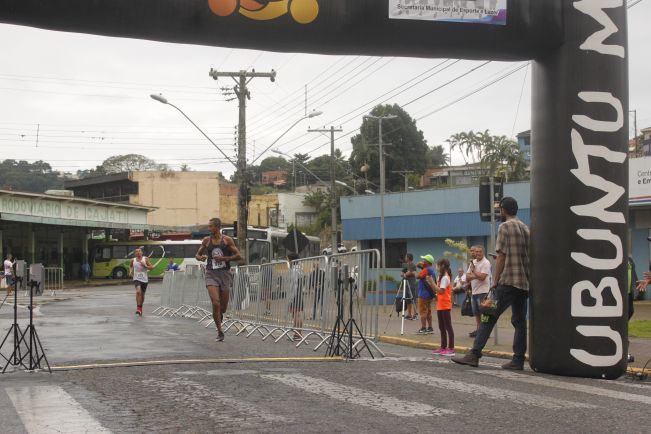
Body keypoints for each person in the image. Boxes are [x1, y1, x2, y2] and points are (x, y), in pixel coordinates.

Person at [452, 197, 530, 370]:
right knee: (520, 322)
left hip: (508, 281)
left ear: (503, 209)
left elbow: (501, 256)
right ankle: (518, 360)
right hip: (524, 283)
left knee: (488, 315)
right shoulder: (526, 228)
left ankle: (474, 354)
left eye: (500, 209)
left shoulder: (504, 226)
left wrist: (495, 281)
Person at [195, 217, 242, 342]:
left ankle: (219, 314)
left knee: (223, 308)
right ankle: (220, 331)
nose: (209, 228)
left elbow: (238, 256)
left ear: (217, 227)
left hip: (224, 274)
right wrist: (201, 257)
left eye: (210, 226)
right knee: (215, 302)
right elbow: (197, 254)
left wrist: (224, 259)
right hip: (211, 274)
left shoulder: (227, 240)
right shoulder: (206, 240)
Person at [427, 258, 455, 355]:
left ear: (442, 266)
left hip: (445, 305)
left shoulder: (445, 278)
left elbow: (441, 291)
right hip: (440, 305)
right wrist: (431, 283)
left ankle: (451, 348)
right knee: (441, 327)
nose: (436, 267)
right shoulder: (440, 277)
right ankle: (443, 347)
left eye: (437, 265)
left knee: (448, 327)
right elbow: (436, 290)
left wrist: (432, 282)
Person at [465, 245, 492, 338]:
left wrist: (474, 271)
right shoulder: (473, 262)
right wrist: (476, 275)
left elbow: (482, 277)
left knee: (484, 313)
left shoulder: (486, 262)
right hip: (474, 291)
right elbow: (467, 277)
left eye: (479, 252)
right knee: (476, 313)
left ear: (483, 252)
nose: (477, 253)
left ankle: (485, 332)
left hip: (483, 292)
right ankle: (479, 330)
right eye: (476, 252)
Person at [129, 248, 154, 316]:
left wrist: (144, 265)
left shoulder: (145, 259)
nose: (138, 252)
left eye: (139, 251)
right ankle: (138, 308)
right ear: (135, 253)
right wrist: (130, 271)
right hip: (136, 278)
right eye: (136, 251)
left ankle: (140, 307)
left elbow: (152, 268)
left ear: (142, 252)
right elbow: (130, 266)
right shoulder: (133, 260)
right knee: (138, 291)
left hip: (144, 279)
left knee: (142, 295)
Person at [416, 254, 436, 335]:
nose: (422, 261)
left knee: (423, 311)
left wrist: (414, 272)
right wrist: (421, 266)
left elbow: (418, 276)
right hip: (429, 294)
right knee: (428, 311)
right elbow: (419, 265)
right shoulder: (431, 269)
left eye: (424, 260)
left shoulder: (426, 269)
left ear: (427, 262)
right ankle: (430, 327)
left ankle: (423, 328)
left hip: (423, 294)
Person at [287, 252, 305, 341]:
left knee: (296, 314)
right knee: (296, 314)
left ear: (292, 260)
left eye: (288, 260)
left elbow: (294, 284)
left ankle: (298, 334)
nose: (288, 262)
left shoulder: (294, 270)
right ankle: (297, 333)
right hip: (298, 293)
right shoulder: (299, 269)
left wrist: (291, 296)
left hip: (295, 294)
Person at [400, 253, 418, 320]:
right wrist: (405, 273)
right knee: (408, 300)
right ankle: (409, 314)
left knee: (413, 299)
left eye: (406, 257)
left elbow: (409, 273)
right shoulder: (405, 265)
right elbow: (401, 274)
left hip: (411, 284)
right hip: (406, 284)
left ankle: (415, 314)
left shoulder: (413, 265)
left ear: (408, 258)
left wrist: (406, 273)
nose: (405, 258)